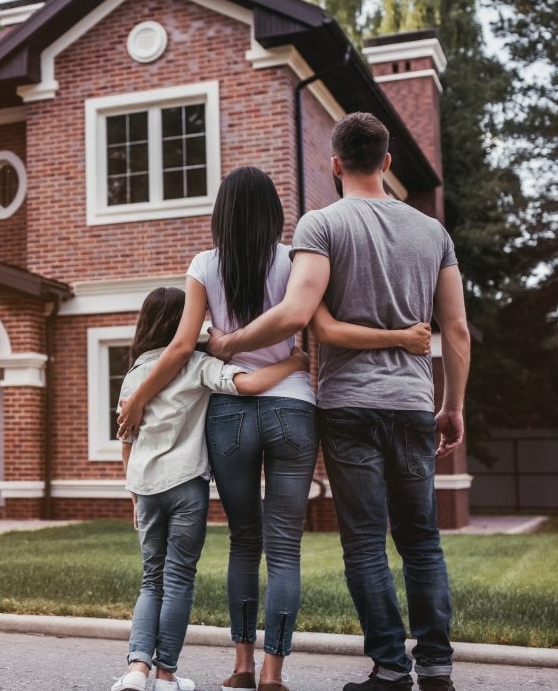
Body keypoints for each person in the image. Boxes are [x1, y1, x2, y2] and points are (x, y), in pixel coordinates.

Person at [116, 166, 431, 691]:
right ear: (274, 214)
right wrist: (396, 337)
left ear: (221, 214)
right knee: (284, 548)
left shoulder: (204, 265)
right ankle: (272, 674)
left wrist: (138, 400)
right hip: (292, 410)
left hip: (230, 414)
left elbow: (178, 348)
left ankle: (240, 666)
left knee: (244, 541)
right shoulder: (295, 260)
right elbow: (323, 327)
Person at [206, 113, 472, 691]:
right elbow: (456, 330)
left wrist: (228, 342)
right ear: (387, 161)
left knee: (365, 540)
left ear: (334, 165)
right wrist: (452, 406)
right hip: (411, 402)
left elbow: (299, 315)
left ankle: (390, 670)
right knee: (422, 538)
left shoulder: (322, 225)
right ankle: (438, 668)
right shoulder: (433, 233)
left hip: (349, 405)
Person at [112, 286, 309, 691]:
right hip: (187, 486)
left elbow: (126, 441)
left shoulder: (133, 377)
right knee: (179, 578)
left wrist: (134, 496)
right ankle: (166, 674)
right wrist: (295, 362)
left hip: (146, 489)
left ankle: (136, 669)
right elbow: (250, 385)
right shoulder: (198, 365)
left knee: (152, 579)